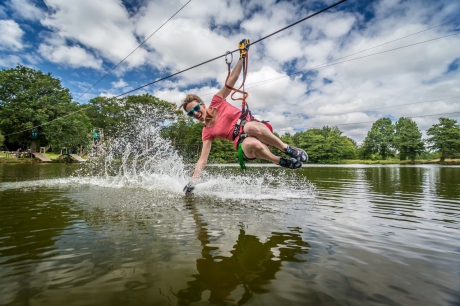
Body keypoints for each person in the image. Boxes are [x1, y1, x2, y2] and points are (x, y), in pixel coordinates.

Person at [182, 39, 307, 196]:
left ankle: (287, 149)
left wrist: (243, 55)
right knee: (252, 142)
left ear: (202, 104)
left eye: (195, 108)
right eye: (190, 113)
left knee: (250, 127)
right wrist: (193, 181)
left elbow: (231, 81)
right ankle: (280, 161)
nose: (195, 113)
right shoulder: (207, 132)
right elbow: (202, 160)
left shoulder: (217, 101)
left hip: (258, 129)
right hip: (245, 144)